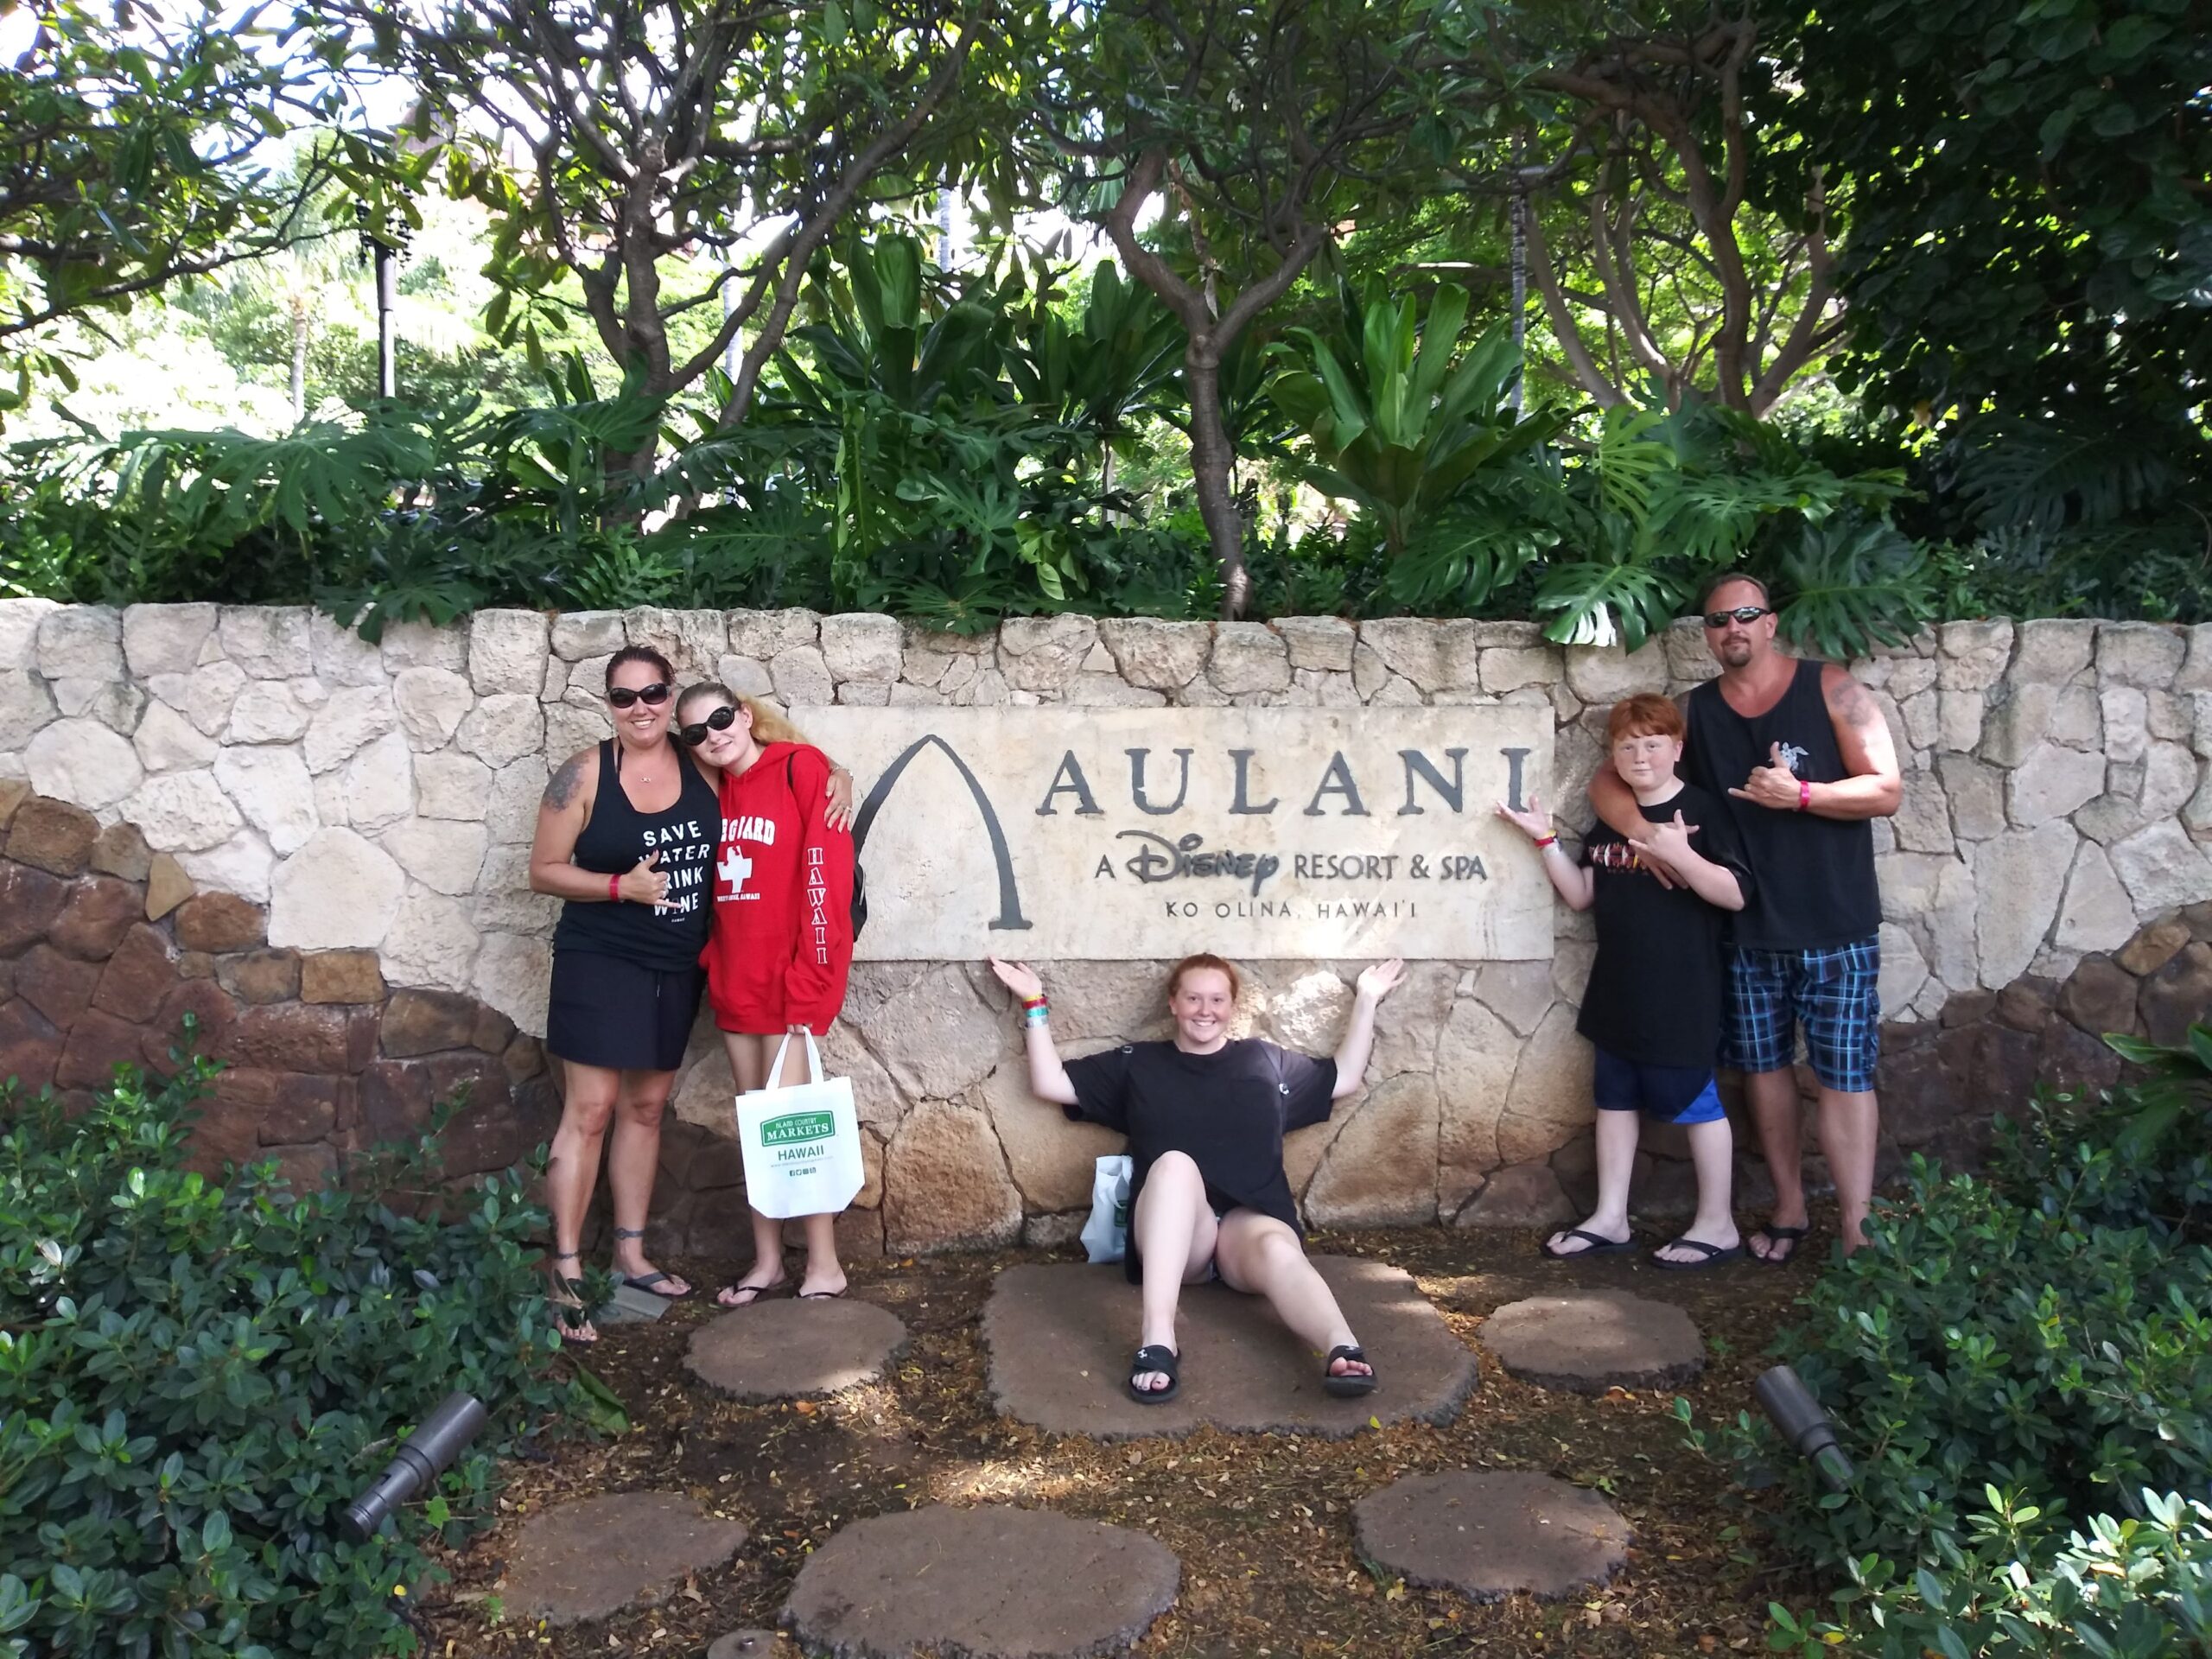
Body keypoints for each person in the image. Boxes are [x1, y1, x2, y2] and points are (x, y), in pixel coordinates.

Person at [529, 649, 850, 1341]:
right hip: (606, 958)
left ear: (670, 696)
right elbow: (543, 870)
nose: (639, 706)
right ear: (607, 703)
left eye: (651, 693)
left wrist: (836, 774)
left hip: (679, 964)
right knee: (590, 1111)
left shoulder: (701, 759)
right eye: (623, 696)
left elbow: (776, 764)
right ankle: (564, 1272)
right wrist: (622, 887)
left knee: (650, 1108)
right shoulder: (587, 772)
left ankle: (632, 1253)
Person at [1588, 574, 1901, 1259]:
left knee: (1844, 1076)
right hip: (1745, 931)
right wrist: (1645, 838)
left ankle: (1857, 1230)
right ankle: (1788, 1210)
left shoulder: (1830, 687)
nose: (1733, 628)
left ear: (1770, 622)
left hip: (1834, 923)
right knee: (1763, 1071)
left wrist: (1805, 794)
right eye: (1718, 620)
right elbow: (1611, 776)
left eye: (1746, 615)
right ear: (1707, 633)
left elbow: (1886, 788)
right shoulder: (1695, 712)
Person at [986, 951, 1406, 1404]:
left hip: (1246, 1231)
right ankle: (1158, 1340)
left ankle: (1341, 1347)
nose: (1205, 1010)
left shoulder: (1267, 1062)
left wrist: (1366, 999)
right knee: (1174, 1166)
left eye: (1217, 999)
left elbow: (1342, 1078)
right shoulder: (1137, 1064)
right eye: (1193, 998)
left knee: (1278, 1246)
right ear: (1173, 1003)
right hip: (1179, 1240)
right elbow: (1051, 1083)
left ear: (1231, 1006)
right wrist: (1033, 1002)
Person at [1497, 694, 1753, 1268]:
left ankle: (1718, 1224)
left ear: (1677, 748)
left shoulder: (1704, 811)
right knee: (1614, 1102)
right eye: (1628, 745)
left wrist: (1683, 856)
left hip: (1681, 991)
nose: (1640, 755)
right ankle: (1610, 1217)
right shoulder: (1612, 819)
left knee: (1696, 1102)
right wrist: (1544, 840)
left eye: (1653, 743)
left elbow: (1736, 894)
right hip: (1618, 987)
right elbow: (1583, 894)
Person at [675, 683, 859, 1307]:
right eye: (697, 732)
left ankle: (826, 1266)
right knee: (759, 1128)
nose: (714, 736)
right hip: (735, 984)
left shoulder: (800, 770)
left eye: (721, 719)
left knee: (797, 1128)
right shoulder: (709, 793)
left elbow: (825, 879)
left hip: (790, 986)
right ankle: (767, 1261)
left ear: (745, 716)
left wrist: (813, 980)